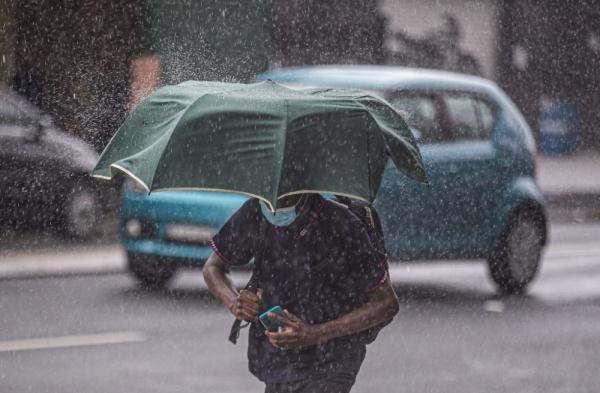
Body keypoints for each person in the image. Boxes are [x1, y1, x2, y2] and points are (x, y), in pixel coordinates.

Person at [203, 193, 400, 393]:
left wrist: (314, 333)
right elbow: (213, 267)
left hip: (332, 359)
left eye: (286, 195)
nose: (277, 205)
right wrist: (234, 302)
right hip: (277, 359)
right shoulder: (255, 210)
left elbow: (386, 303)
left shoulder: (340, 222)